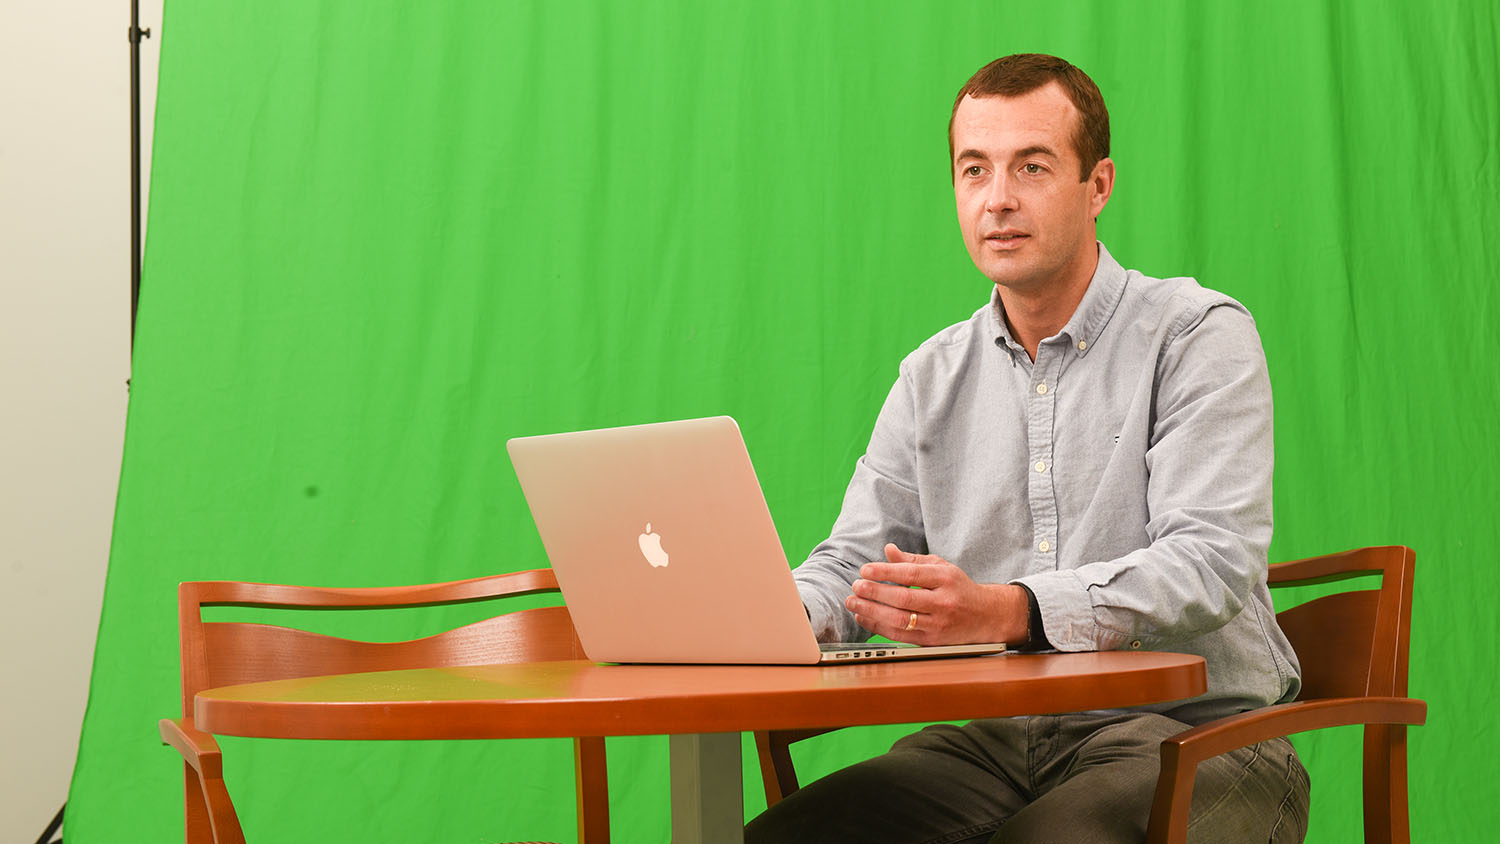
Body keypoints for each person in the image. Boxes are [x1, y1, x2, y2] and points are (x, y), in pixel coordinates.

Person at [745, 54, 1310, 843]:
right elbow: (853, 568)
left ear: (1099, 185)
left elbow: (1209, 559)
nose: (998, 199)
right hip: (993, 742)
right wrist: (759, 622)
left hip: (1189, 735)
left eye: (1032, 167)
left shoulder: (1194, 334)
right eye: (974, 169)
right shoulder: (932, 375)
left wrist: (1011, 608)